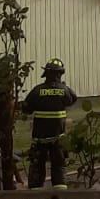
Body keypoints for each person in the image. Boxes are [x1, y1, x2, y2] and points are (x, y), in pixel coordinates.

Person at [22, 57, 78, 191]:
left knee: (37, 166)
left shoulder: (37, 91)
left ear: (46, 73)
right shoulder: (65, 91)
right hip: (58, 138)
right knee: (58, 166)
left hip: (40, 138)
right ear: (60, 73)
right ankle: (60, 198)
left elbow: (26, 108)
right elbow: (73, 98)